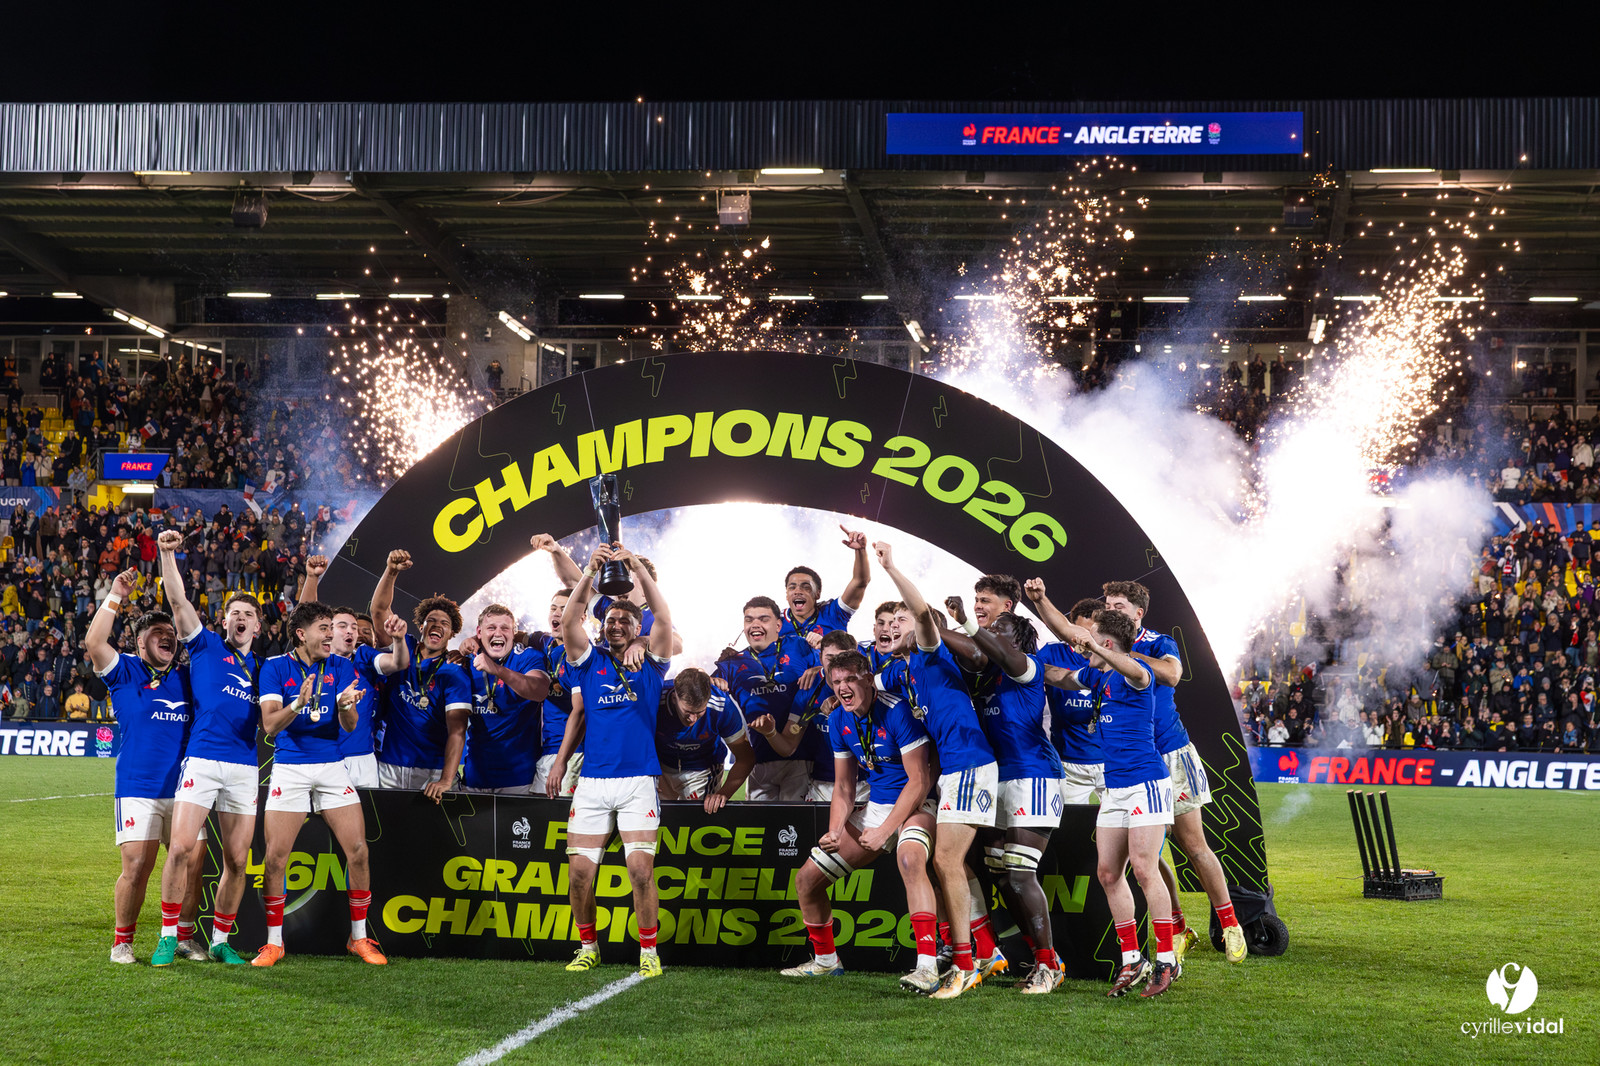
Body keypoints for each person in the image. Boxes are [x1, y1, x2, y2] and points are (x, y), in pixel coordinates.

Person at [874, 541, 999, 999]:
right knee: (956, 863)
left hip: (971, 763)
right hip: (955, 771)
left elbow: (924, 616)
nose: (893, 628)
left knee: (946, 860)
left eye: (899, 620)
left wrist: (891, 568)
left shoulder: (930, 652)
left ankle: (963, 966)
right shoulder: (898, 672)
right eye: (885, 624)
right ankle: (985, 953)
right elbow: (854, 681)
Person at [253, 600, 409, 967]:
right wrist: (299, 703)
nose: (332, 634)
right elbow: (270, 725)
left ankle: (358, 938)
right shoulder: (275, 668)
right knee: (276, 858)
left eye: (331, 628)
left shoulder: (341, 666)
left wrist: (344, 707)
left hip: (331, 765)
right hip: (290, 768)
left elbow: (351, 726)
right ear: (300, 634)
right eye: (324, 628)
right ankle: (274, 942)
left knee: (358, 851)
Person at [778, 649, 941, 993]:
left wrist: (884, 831)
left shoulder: (897, 711)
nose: (843, 687)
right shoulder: (839, 720)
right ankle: (826, 962)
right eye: (836, 682)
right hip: (879, 806)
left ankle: (927, 967)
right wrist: (834, 830)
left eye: (850, 679)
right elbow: (844, 786)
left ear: (868, 678)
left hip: (919, 803)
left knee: (910, 859)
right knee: (807, 880)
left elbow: (920, 780)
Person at [1103, 580, 1247, 967]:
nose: (1111, 610)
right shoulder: (1103, 645)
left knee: (1194, 845)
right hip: (1134, 761)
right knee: (1145, 857)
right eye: (1108, 604)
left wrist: (1125, 654)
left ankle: (1230, 923)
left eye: (1119, 605)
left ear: (1138, 613)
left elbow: (1172, 674)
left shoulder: (1158, 642)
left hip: (1170, 755)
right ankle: (1180, 928)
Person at [549, 541, 674, 978]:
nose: (617, 623)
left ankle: (648, 951)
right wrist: (590, 571)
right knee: (580, 875)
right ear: (602, 626)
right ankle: (588, 946)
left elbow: (664, 617)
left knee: (640, 871)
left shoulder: (652, 664)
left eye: (626, 619)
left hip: (639, 779)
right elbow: (568, 619)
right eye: (611, 619)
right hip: (595, 782)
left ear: (636, 627)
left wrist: (637, 566)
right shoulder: (588, 662)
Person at [1046, 608, 1177, 998]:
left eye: (1091, 638)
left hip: (1146, 784)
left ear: (1106, 643)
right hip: (1115, 788)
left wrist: (1101, 650)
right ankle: (1132, 959)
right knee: (1107, 873)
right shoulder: (1096, 674)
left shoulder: (1137, 674)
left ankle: (1167, 958)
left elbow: (1135, 669)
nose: (1081, 644)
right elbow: (1061, 676)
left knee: (1144, 869)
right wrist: (1025, 671)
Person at [146, 530, 262, 966]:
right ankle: (167, 935)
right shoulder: (206, 645)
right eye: (233, 612)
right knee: (179, 849)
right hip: (203, 759)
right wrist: (168, 553)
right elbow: (177, 601)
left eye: (247, 614)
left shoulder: (263, 668)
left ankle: (219, 941)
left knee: (237, 860)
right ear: (224, 620)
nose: (239, 618)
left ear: (257, 624)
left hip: (244, 768)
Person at [943, 593, 1066, 994]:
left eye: (1001, 631)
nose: (991, 636)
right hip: (995, 781)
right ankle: (1038, 958)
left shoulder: (1026, 667)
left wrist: (964, 623)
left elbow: (1002, 653)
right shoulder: (986, 675)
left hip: (1034, 777)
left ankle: (1051, 965)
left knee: (1019, 872)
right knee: (1000, 877)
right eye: (990, 630)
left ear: (1018, 642)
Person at [85, 567, 203, 965]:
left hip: (187, 788)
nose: (166, 635)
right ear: (139, 642)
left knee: (193, 862)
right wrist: (117, 593)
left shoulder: (189, 678)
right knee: (137, 866)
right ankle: (123, 941)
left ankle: (183, 937)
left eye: (169, 631)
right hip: (137, 786)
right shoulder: (125, 671)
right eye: (156, 632)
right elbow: (93, 640)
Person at [368, 549, 473, 796]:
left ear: (452, 633)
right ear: (421, 626)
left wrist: (447, 780)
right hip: (389, 766)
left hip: (432, 771)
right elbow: (379, 611)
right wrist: (391, 571)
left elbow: (458, 731)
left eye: (444, 624)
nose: (437, 625)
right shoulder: (402, 647)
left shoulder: (454, 673)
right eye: (431, 621)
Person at [715, 596, 817, 800]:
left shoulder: (799, 646)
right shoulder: (731, 664)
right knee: (761, 828)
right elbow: (702, 690)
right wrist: (710, 680)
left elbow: (834, 669)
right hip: (759, 762)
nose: (755, 624)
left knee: (797, 828)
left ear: (778, 625)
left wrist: (819, 666)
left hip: (801, 759)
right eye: (749, 619)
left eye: (763, 619)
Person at [761, 630, 870, 804]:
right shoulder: (808, 690)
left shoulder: (868, 684)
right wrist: (770, 732)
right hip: (823, 784)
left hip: (866, 783)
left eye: (843, 657)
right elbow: (788, 746)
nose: (836, 664)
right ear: (820, 658)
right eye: (830, 657)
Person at [459, 604, 552, 794]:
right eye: (491, 628)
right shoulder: (466, 663)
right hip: (475, 777)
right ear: (479, 632)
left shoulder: (527, 656)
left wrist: (497, 670)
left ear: (514, 632)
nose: (498, 633)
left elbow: (539, 690)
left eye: (505, 628)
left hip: (519, 780)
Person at [1026, 586, 1105, 804]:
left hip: (1112, 758)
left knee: (1126, 825)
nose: (1082, 640)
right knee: (1067, 827)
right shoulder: (1051, 652)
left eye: (1090, 634)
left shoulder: (1114, 656)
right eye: (1076, 633)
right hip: (1068, 760)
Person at [655, 666, 756, 809]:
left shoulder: (721, 705)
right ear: (674, 697)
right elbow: (634, 741)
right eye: (687, 712)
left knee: (699, 819)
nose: (692, 719)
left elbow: (746, 758)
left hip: (703, 769)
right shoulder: (656, 698)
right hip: (661, 767)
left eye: (699, 712)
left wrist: (723, 794)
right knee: (653, 820)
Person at [778, 526, 870, 644]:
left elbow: (860, 582)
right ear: (786, 594)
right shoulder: (774, 620)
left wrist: (861, 550)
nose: (798, 591)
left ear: (818, 593)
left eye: (806, 587)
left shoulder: (833, 613)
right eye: (792, 587)